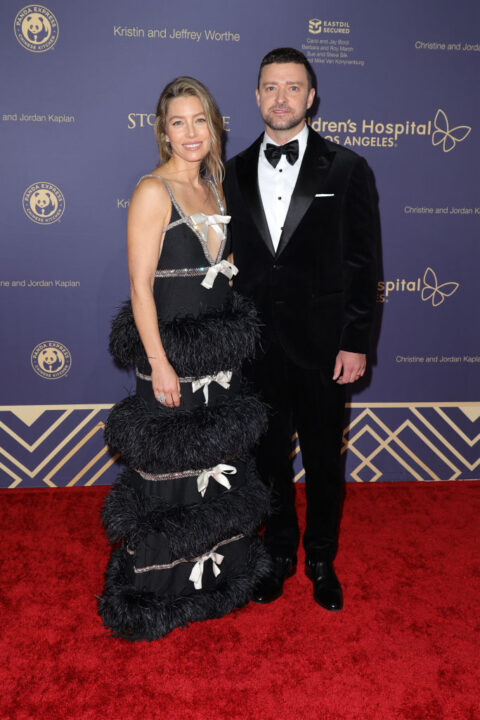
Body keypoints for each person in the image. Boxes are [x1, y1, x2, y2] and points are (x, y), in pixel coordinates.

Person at [98, 77, 270, 640]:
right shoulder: (154, 190)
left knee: (218, 465)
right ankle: (162, 592)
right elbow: (140, 287)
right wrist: (160, 361)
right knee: (170, 474)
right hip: (172, 357)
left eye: (201, 119)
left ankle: (216, 575)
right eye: (179, 122)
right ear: (163, 131)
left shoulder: (218, 184)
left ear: (215, 124)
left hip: (220, 360)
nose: (192, 132)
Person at [224, 48, 379, 611]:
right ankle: (280, 553)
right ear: (257, 96)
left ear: (311, 98)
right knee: (267, 460)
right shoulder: (233, 170)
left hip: (323, 347)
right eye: (270, 87)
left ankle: (321, 557)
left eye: (293, 88)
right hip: (256, 346)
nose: (281, 98)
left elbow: (363, 264)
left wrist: (355, 341)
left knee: (322, 459)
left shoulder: (347, 169)